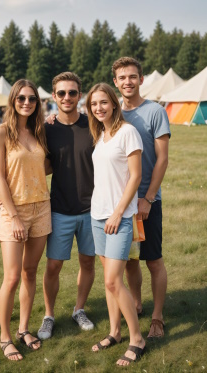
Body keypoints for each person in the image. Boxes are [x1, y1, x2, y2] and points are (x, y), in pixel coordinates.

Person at [0, 79, 52, 361]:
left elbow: (44, 166)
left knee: (30, 273)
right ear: (12, 101)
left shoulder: (39, 132)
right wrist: (14, 216)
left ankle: (24, 329)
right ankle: (5, 337)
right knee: (12, 276)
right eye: (21, 98)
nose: (26, 103)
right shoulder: (1, 133)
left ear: (37, 103)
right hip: (14, 212)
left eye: (32, 99)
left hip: (42, 208)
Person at [86, 83, 145, 366]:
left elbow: (135, 176)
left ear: (114, 103)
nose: (99, 108)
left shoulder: (127, 132)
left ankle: (137, 338)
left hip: (119, 217)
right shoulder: (100, 134)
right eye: (94, 104)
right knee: (109, 283)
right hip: (97, 216)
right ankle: (115, 332)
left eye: (103, 102)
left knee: (113, 280)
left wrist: (118, 213)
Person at [112, 57, 170, 339]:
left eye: (132, 76)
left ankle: (157, 318)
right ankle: (137, 304)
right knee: (130, 261)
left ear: (141, 79)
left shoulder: (155, 111)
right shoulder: (112, 113)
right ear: (115, 82)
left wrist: (147, 198)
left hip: (147, 202)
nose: (127, 82)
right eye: (122, 78)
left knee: (154, 260)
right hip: (122, 203)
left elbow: (162, 160)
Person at [37, 72, 95, 340]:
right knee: (53, 266)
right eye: (62, 93)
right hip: (59, 209)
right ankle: (48, 315)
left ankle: (79, 310)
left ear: (80, 95)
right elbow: (32, 164)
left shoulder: (94, 125)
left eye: (72, 92)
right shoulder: (46, 129)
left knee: (87, 261)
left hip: (92, 209)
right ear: (54, 97)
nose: (67, 97)